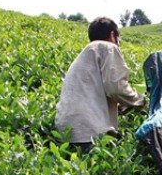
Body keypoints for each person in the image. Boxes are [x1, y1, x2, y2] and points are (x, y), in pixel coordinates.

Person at [55, 17, 145, 152]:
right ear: (112, 35)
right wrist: (140, 100)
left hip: (65, 132)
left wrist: (121, 106)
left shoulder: (86, 53)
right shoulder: (109, 47)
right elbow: (116, 87)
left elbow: (92, 93)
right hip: (89, 132)